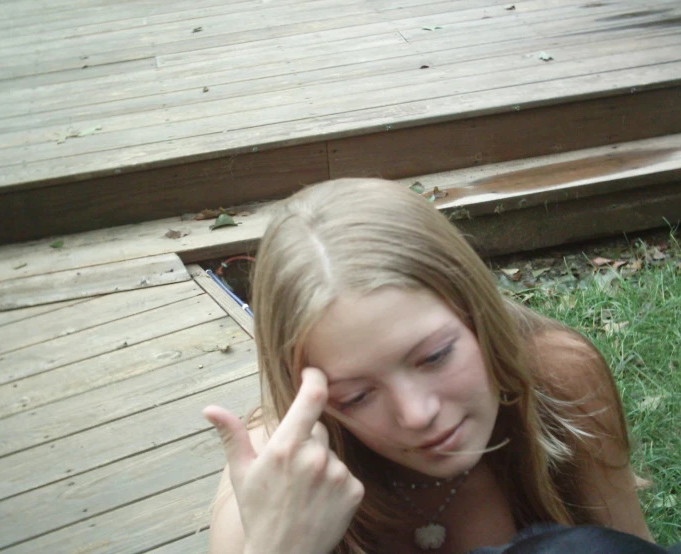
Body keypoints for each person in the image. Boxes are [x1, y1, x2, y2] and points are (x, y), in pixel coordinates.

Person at [203, 178, 656, 554]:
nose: (417, 414)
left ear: (476, 310)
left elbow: (631, 544)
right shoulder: (272, 477)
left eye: (436, 356)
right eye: (356, 396)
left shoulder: (558, 376)